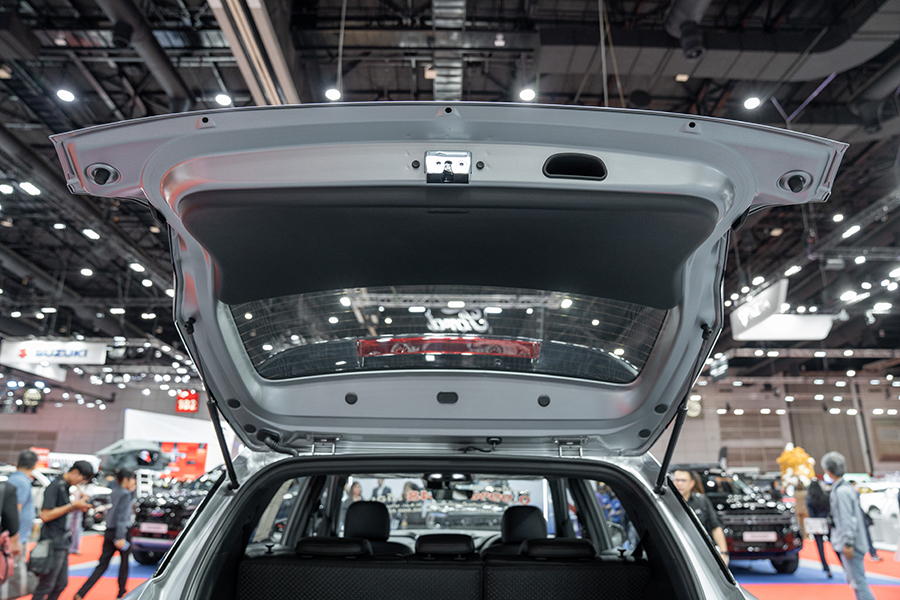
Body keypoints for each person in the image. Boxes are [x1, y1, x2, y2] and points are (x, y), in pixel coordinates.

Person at [31, 460, 93, 600]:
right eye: (81, 479)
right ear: (75, 472)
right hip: (52, 542)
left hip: (62, 541)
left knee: (60, 584)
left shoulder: (65, 487)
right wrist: (72, 506)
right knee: (46, 585)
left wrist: (77, 505)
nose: (80, 483)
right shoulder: (55, 487)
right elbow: (45, 515)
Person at [821, 452, 877, 600]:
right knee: (856, 582)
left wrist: (848, 542)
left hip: (852, 543)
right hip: (852, 540)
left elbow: (847, 519)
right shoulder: (845, 488)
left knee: (859, 583)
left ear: (828, 471)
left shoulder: (841, 491)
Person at [74, 470, 136, 600]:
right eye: (132, 480)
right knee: (124, 565)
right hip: (121, 532)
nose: (134, 483)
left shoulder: (113, 492)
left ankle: (81, 592)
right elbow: (122, 517)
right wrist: (121, 536)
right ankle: (121, 593)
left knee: (102, 565)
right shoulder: (125, 494)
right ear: (125, 480)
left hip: (109, 531)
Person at [672, 469, 729, 566]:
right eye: (676, 480)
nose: (679, 484)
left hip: (700, 550)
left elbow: (715, 527)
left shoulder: (702, 501)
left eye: (683, 480)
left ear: (692, 483)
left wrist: (723, 553)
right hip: (676, 550)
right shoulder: (666, 503)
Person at [6, 450, 37, 551]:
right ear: (33, 466)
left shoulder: (15, 479)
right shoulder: (21, 482)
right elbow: (15, 510)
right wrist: (14, 540)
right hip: (17, 538)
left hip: (17, 536)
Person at [806, 478, 833, 578]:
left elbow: (811, 513)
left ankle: (826, 568)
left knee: (820, 548)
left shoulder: (809, 498)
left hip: (816, 524)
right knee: (834, 545)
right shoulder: (825, 496)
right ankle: (844, 565)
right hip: (826, 522)